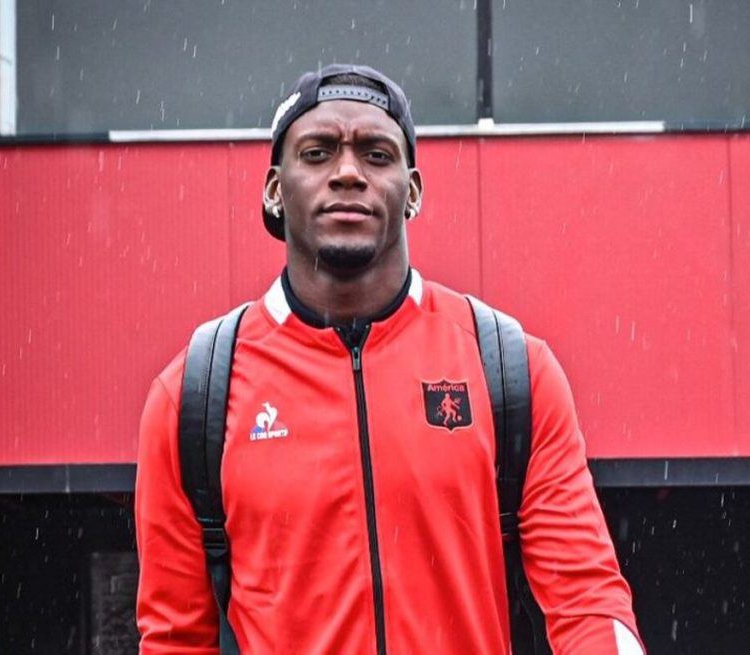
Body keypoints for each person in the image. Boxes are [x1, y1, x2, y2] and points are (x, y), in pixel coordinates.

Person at [134, 63, 643, 654]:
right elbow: (173, 638)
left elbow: (587, 599)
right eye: (318, 153)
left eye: (377, 155)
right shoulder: (193, 396)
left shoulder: (512, 369)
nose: (348, 173)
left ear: (414, 191)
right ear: (274, 189)